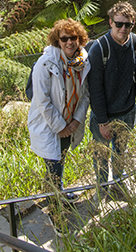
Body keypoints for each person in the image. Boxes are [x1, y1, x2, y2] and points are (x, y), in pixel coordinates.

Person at [88, 1, 136, 199]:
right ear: (110, 23)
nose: (123, 29)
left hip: (128, 110)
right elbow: (94, 89)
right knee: (101, 154)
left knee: (121, 151)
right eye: (119, 24)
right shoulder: (99, 49)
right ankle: (102, 188)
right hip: (103, 114)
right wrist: (102, 122)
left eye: (128, 25)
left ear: (133, 24)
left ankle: (119, 184)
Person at [27, 18, 90, 207]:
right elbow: (41, 100)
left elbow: (85, 94)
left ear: (79, 39)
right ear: (57, 41)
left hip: (70, 123)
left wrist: (76, 121)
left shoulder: (83, 62)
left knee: (59, 161)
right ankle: (55, 209)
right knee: (53, 165)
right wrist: (60, 126)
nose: (69, 42)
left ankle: (58, 193)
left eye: (73, 38)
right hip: (49, 125)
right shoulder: (45, 63)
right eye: (64, 39)